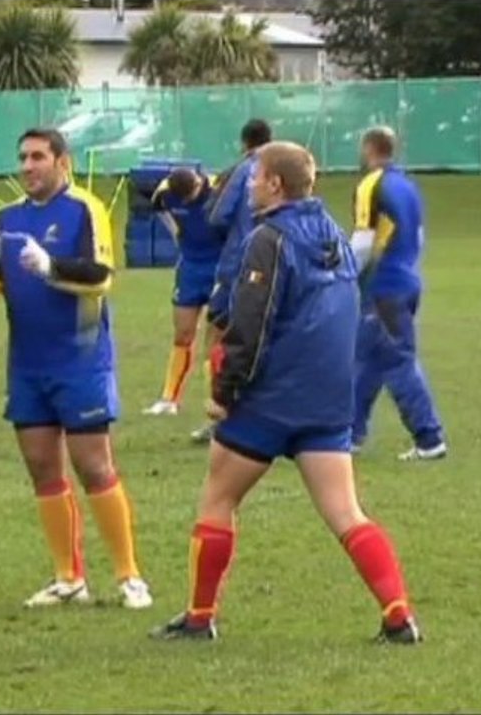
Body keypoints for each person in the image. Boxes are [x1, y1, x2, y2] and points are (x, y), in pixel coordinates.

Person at [150, 142, 421, 644]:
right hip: (327, 400)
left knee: (217, 497)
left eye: (255, 178)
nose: (249, 185)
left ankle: (199, 617)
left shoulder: (267, 239)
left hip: (272, 400)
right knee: (346, 512)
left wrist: (226, 393)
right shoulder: (336, 235)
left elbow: (250, 326)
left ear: (275, 184)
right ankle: (398, 615)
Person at [0, 128, 152, 610]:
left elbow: (101, 279)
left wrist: (50, 267)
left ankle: (129, 576)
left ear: (61, 162)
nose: (28, 166)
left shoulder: (84, 210)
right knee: (42, 466)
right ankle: (69, 577)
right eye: (22, 157)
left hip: (81, 358)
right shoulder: (6, 219)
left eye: (38, 157)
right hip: (27, 363)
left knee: (94, 465)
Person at [350, 126, 447, 461]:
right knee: (366, 358)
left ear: (369, 148)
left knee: (396, 361)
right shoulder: (407, 185)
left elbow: (363, 241)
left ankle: (429, 438)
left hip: (383, 286)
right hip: (406, 279)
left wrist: (344, 274)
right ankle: (350, 434)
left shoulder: (371, 184)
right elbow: (417, 236)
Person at [190, 119, 272, 444]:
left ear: (244, 142)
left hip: (239, 262)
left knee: (218, 336)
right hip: (275, 261)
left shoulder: (243, 170)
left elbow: (218, 215)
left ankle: (222, 413)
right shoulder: (285, 165)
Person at [142, 167, 224, 417]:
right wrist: (176, 232)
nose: (188, 202)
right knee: (183, 332)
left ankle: (217, 399)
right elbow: (158, 207)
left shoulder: (218, 190)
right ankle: (170, 399)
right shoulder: (165, 193)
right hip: (190, 267)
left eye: (192, 196)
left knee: (217, 338)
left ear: (199, 184)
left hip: (220, 266)